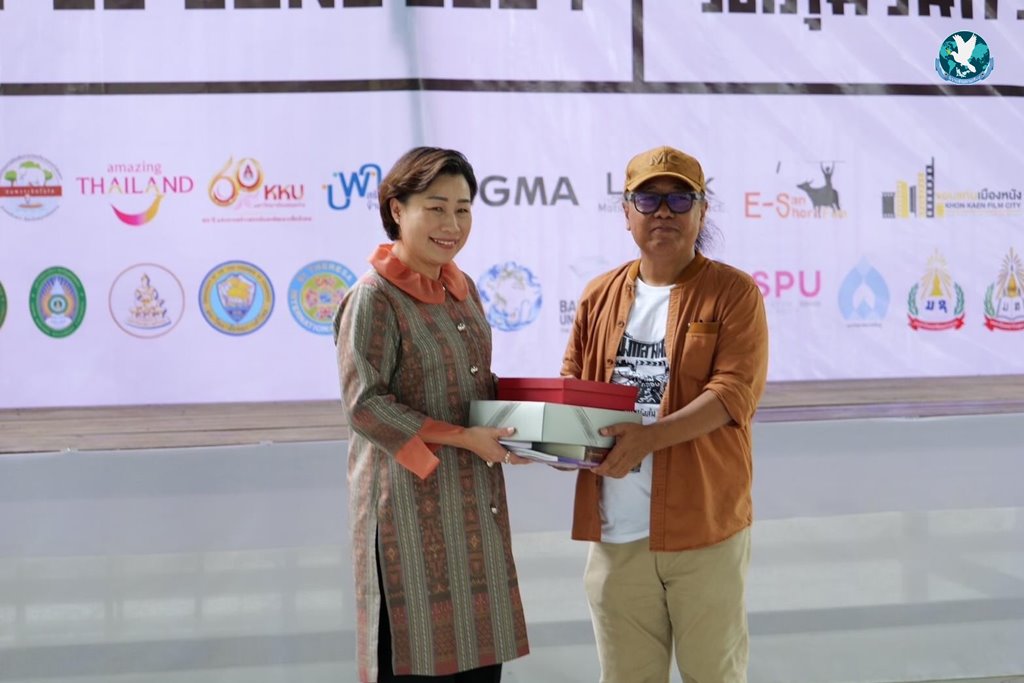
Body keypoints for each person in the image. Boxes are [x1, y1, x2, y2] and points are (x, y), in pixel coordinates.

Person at [561, 145, 769, 683]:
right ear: (626, 212)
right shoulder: (598, 296)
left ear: (702, 211)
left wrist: (648, 438)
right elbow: (573, 390)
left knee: (714, 676)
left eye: (679, 199)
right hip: (616, 534)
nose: (663, 212)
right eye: (647, 199)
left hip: (704, 531)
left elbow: (733, 394)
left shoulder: (734, 293)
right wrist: (549, 441)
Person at [334, 147, 530, 683]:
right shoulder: (373, 296)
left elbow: (473, 384)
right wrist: (465, 438)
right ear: (397, 209)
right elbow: (365, 405)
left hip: (472, 511)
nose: (452, 224)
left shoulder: (463, 292)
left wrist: (525, 433)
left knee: (478, 665)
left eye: (463, 210)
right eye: (436, 208)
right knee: (413, 659)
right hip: (407, 518)